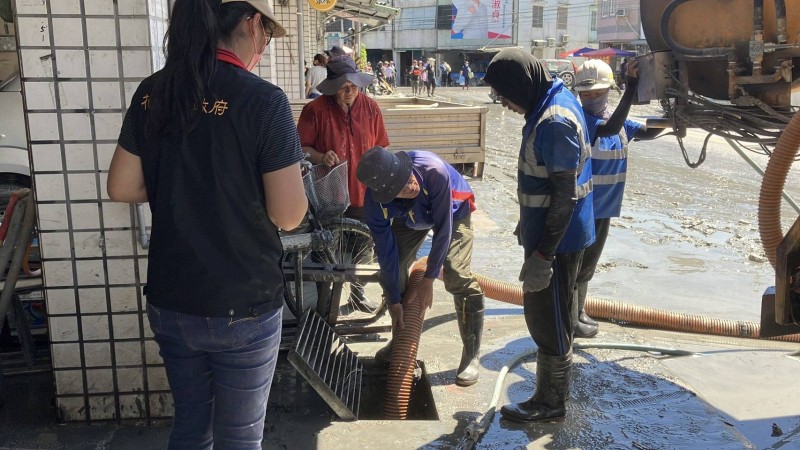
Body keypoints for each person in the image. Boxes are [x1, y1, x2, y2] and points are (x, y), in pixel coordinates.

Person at [106, 0, 308, 447]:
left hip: (172, 299)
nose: (264, 44)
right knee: (240, 437)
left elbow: (121, 186)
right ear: (251, 24)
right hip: (244, 301)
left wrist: (181, 188)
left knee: (191, 428)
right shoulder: (264, 100)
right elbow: (289, 215)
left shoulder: (152, 92)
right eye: (267, 32)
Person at [483, 48, 594, 422]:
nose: (504, 103)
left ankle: (550, 402)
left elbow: (563, 196)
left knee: (548, 320)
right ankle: (553, 394)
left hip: (558, 240)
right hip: (558, 232)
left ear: (521, 85)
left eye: (505, 94)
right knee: (557, 314)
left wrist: (543, 256)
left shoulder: (553, 121)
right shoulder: (554, 97)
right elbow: (546, 183)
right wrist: (526, 221)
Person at [356, 147, 486, 386]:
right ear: (387, 194)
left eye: (408, 178)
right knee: (395, 266)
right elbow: (386, 255)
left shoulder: (433, 171)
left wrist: (429, 278)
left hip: (453, 211)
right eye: (401, 187)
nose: (411, 185)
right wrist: (394, 301)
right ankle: (401, 342)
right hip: (411, 217)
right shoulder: (375, 206)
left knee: (456, 271)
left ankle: (471, 354)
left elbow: (444, 230)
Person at [573, 58, 663, 338]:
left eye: (597, 93)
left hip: (604, 209)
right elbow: (609, 128)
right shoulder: (584, 121)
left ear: (608, 92)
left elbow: (646, 131)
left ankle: (578, 311)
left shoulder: (617, 121)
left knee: (588, 265)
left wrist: (673, 117)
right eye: (585, 94)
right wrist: (632, 88)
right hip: (584, 208)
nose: (591, 99)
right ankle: (570, 318)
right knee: (576, 266)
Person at [296, 51, 390, 312]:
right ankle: (324, 304)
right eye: (342, 87)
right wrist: (320, 156)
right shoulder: (315, 110)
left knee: (363, 246)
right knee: (325, 250)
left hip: (364, 191)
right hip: (328, 194)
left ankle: (358, 296)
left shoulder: (371, 108)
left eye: (353, 86)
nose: (349, 92)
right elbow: (300, 149)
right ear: (331, 88)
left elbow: (381, 147)